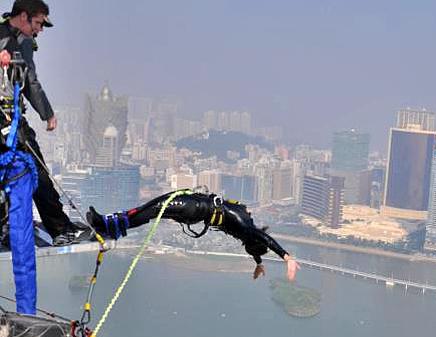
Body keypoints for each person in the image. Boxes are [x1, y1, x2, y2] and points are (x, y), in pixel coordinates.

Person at [0, 0, 82, 246]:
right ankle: (59, 229)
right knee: (34, 169)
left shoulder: (23, 43)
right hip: (6, 121)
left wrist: (46, 112)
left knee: (27, 170)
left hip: (10, 117)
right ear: (24, 16)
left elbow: (29, 82)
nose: (40, 30)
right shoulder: (4, 38)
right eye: (37, 23)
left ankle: (56, 226)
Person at [86, 191, 300, 282]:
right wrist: (259, 263)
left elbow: (262, 240)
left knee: (150, 209)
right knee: (150, 210)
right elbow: (257, 243)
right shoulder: (247, 231)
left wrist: (286, 256)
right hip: (194, 208)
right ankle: (109, 226)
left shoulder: (245, 225)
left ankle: (106, 224)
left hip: (194, 208)